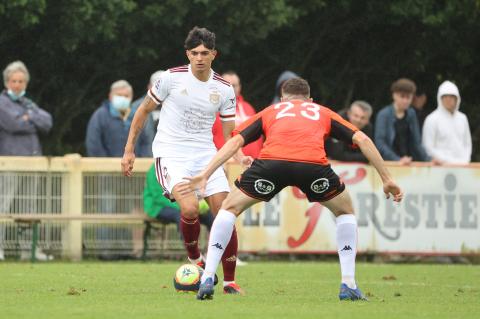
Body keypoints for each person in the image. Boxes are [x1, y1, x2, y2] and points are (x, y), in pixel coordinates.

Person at [177, 78, 403, 301]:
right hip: (313, 167)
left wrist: (205, 174)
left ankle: (207, 277)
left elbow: (235, 142)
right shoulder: (321, 111)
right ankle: (349, 284)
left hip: (271, 165)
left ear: (283, 98)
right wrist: (387, 178)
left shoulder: (272, 110)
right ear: (310, 99)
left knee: (228, 208)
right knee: (345, 212)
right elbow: (362, 139)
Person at [121, 27, 251, 294]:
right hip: (171, 153)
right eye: (195, 53)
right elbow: (142, 111)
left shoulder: (224, 89)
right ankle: (196, 259)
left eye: (205, 53)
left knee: (225, 213)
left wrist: (240, 155)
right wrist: (129, 150)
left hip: (206, 155)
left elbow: (229, 135)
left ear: (214, 54)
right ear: (187, 54)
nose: (200, 58)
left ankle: (229, 281)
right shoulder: (170, 78)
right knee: (190, 209)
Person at [0, 60, 53, 261]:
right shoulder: (2, 102)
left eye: (21, 81)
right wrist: (32, 119)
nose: (17, 85)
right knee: (3, 205)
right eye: (14, 81)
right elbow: (13, 124)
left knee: (29, 207)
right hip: (10, 163)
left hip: (32, 162)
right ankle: (1, 248)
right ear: (7, 82)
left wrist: (27, 117)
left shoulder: (27, 103)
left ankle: (28, 251)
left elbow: (47, 122)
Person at [86, 80, 152, 157]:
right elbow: (93, 143)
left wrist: (141, 162)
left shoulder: (137, 116)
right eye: (119, 95)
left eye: (126, 96)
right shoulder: (100, 116)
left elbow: (145, 142)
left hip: (133, 166)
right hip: (106, 166)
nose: (123, 98)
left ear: (131, 97)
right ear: (110, 96)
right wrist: (105, 164)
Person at [374, 78, 431, 165]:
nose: (405, 101)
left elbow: (416, 142)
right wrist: (397, 159)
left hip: (408, 162)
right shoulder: (384, 114)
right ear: (394, 95)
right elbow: (380, 143)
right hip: (388, 163)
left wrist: (428, 160)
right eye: (402, 96)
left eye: (408, 97)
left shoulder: (411, 113)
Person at [143, 164, 214, 231]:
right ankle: (188, 243)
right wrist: (182, 205)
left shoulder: (179, 167)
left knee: (208, 215)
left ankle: (216, 242)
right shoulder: (155, 170)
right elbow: (158, 196)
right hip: (157, 207)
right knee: (182, 216)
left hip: (179, 203)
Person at [212, 71, 262, 158]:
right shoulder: (212, 109)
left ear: (239, 87)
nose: (231, 88)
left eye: (234, 85)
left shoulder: (248, 108)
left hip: (251, 164)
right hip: (225, 164)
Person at [422, 81, 472, 164]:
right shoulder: (432, 119)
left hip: (463, 166)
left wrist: (465, 160)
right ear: (440, 98)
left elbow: (467, 144)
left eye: (452, 96)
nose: (448, 99)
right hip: (440, 167)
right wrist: (446, 161)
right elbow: (428, 147)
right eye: (445, 96)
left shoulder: (463, 118)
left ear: (457, 98)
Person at [131, 70, 165, 152]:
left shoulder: (176, 106)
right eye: (156, 88)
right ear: (149, 87)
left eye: (163, 89)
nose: (159, 92)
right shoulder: (136, 107)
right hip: (142, 159)